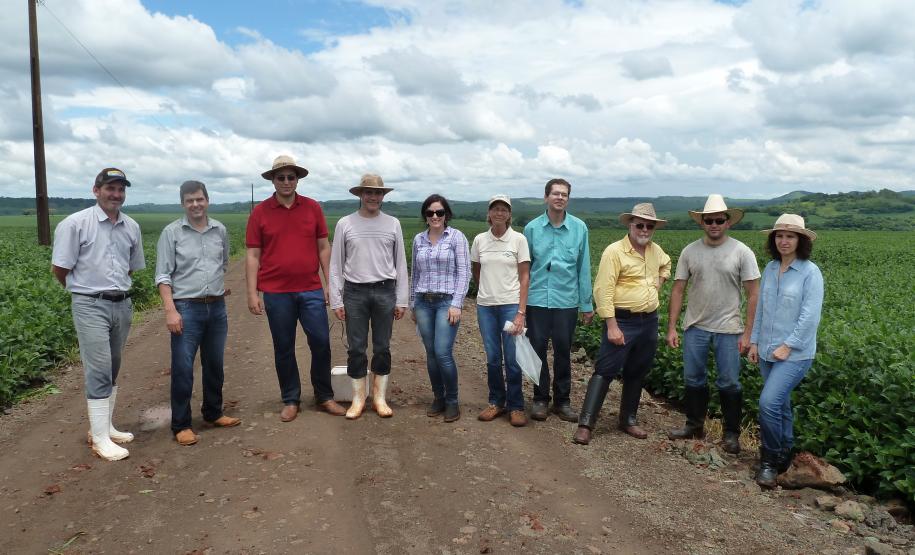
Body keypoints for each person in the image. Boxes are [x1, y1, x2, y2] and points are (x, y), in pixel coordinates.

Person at [51, 168, 144, 461]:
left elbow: (129, 268)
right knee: (100, 368)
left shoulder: (132, 227)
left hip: (122, 304)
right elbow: (60, 269)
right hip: (90, 304)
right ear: (96, 190)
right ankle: (100, 439)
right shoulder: (75, 224)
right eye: (110, 188)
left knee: (113, 365)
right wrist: (85, 292)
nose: (116, 194)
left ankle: (104, 427)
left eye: (120, 189)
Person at [245, 155, 346, 423]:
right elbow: (253, 254)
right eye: (281, 177)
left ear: (298, 180)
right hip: (276, 293)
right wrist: (252, 293)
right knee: (284, 347)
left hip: (310, 289)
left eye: (291, 177)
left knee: (321, 342)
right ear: (273, 180)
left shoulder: (312, 208)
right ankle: (291, 399)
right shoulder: (260, 212)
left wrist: (330, 284)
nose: (286, 182)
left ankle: (324, 396)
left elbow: (323, 247)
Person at [666, 194, 760, 454]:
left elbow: (754, 293)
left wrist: (749, 333)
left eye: (719, 220)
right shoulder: (689, 251)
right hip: (695, 326)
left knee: (729, 382)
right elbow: (678, 290)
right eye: (709, 221)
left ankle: (731, 435)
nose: (714, 224)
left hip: (729, 329)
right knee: (693, 378)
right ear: (702, 223)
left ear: (728, 222)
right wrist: (672, 327)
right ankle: (694, 425)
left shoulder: (742, 251)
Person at [573, 203, 671, 444]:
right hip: (622, 320)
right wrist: (612, 325)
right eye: (640, 225)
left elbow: (667, 264)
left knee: (637, 371)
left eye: (650, 226)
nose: (645, 229)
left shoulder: (655, 250)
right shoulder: (614, 252)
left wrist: (659, 281)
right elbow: (603, 290)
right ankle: (586, 423)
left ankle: (628, 419)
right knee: (605, 370)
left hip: (649, 321)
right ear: (630, 225)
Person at [155, 181, 241, 446]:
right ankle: (181, 424)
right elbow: (163, 275)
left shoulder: (219, 230)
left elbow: (222, 264)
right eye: (190, 200)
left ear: (207, 200)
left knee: (214, 364)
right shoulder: (172, 233)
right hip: (186, 308)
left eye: (199, 199)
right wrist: (170, 310)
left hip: (216, 306)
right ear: (183, 203)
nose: (195, 204)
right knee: (183, 367)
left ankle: (213, 412)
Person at [748, 214, 823, 488]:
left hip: (795, 354)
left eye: (790, 236)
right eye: (779, 236)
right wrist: (755, 341)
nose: (784, 241)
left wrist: (787, 345)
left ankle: (768, 461)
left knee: (768, 403)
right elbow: (761, 309)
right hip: (767, 350)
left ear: (800, 241)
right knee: (780, 404)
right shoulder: (770, 268)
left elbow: (809, 317)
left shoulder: (810, 273)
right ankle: (785, 455)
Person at [329, 174, 408, 419]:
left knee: (382, 346)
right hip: (355, 292)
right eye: (369, 192)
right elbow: (336, 264)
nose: (373, 197)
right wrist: (337, 299)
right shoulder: (345, 224)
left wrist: (401, 299)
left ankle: (379, 398)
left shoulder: (393, 224)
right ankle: (358, 398)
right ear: (360, 195)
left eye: (378, 193)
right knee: (356, 347)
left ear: (383, 196)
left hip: (385, 290)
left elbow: (401, 263)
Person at [523, 178, 594, 422]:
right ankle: (540, 399)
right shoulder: (532, 228)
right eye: (555, 193)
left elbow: (583, 268)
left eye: (564, 194)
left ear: (568, 199)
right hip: (537, 300)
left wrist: (586, 304)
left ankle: (562, 402)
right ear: (546, 197)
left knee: (563, 351)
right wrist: (520, 304)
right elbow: (524, 268)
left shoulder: (579, 228)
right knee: (537, 350)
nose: (560, 198)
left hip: (566, 301)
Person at [470, 194, 531, 427]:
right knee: (493, 358)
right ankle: (496, 401)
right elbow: (477, 270)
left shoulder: (518, 240)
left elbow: (524, 277)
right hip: (486, 307)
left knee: (513, 358)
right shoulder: (479, 240)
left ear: (509, 214)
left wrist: (520, 311)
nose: (499, 213)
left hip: (510, 306)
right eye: (495, 208)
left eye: (504, 209)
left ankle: (516, 406)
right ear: (489, 213)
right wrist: (487, 291)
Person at [410, 194, 471, 423]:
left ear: (446, 215)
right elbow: (415, 273)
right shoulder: (418, 239)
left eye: (439, 212)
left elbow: (464, 272)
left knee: (443, 352)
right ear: (425, 216)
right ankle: (438, 397)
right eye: (430, 212)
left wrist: (457, 304)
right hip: (423, 301)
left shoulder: (456, 237)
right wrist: (413, 304)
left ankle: (452, 400)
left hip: (447, 302)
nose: (435, 216)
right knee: (431, 353)